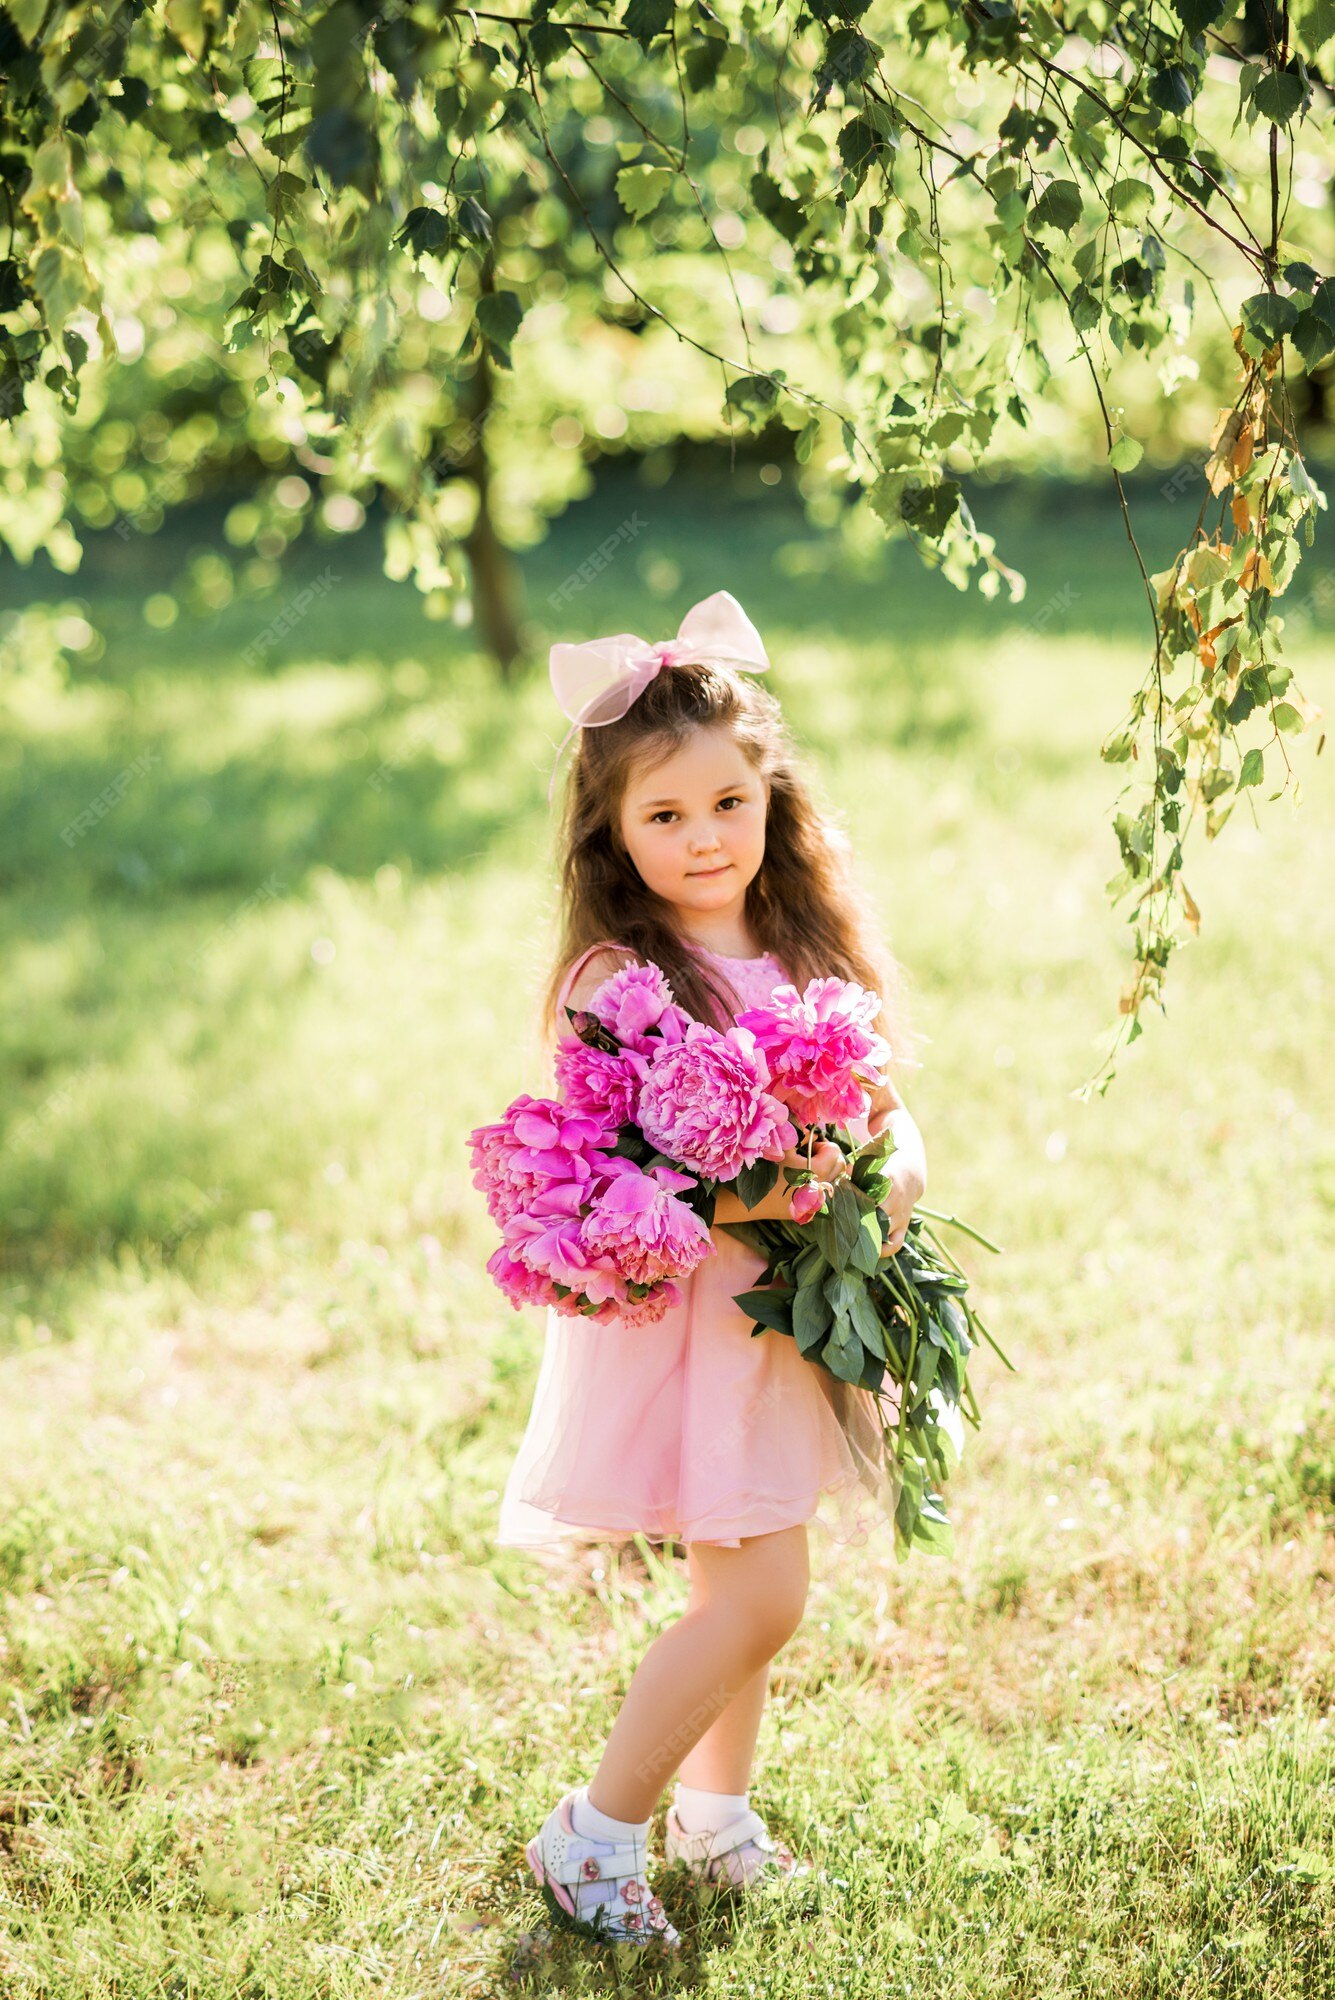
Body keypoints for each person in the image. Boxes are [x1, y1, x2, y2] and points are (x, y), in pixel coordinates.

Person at [499, 590, 929, 1950]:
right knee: (761, 1597)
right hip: (693, 1326)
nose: (703, 840)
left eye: (727, 805)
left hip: (781, 1333)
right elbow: (659, 1163)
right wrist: (786, 1182)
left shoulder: (800, 948)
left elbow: (874, 1090)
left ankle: (714, 1816)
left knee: (737, 1596)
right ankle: (594, 1833)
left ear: (771, 799)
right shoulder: (617, 978)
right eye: (664, 817)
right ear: (614, 835)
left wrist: (897, 1156)